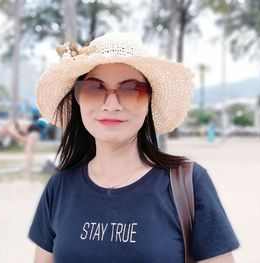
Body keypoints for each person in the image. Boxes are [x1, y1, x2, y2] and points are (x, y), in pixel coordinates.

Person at [28, 33, 239, 262]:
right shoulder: (58, 189)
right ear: (78, 99)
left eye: (130, 89)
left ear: (149, 101)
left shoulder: (189, 183)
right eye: (94, 88)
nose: (111, 105)